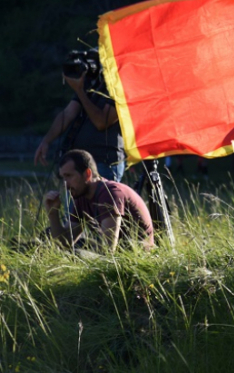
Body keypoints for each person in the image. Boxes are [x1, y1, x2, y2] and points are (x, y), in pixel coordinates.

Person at [34, 53, 125, 182]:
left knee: (102, 202)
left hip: (105, 163)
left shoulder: (120, 86)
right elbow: (68, 114)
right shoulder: (92, 85)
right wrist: (46, 141)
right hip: (79, 164)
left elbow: (101, 122)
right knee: (77, 203)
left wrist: (80, 91)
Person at [43, 149, 155, 252]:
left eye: (69, 176)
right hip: (117, 254)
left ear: (87, 174)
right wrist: (53, 213)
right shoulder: (81, 196)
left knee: (77, 254)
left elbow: (107, 249)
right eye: (63, 178)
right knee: (46, 236)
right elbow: (64, 244)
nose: (65, 185)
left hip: (135, 256)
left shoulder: (109, 193)